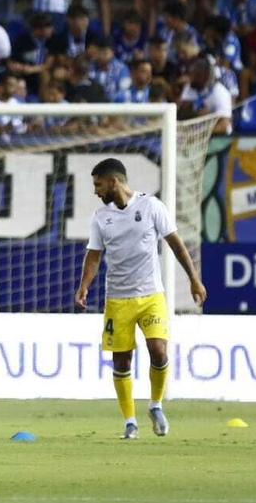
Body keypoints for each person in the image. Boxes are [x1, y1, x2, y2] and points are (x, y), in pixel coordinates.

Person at [74, 158, 206, 440]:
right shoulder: (100, 217)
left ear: (114, 182)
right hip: (118, 299)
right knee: (122, 362)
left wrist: (193, 279)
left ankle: (156, 405)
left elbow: (176, 243)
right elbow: (94, 256)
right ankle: (130, 422)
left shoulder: (151, 206)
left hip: (151, 295)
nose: (95, 191)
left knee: (159, 350)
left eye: (98, 184)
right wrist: (84, 285)